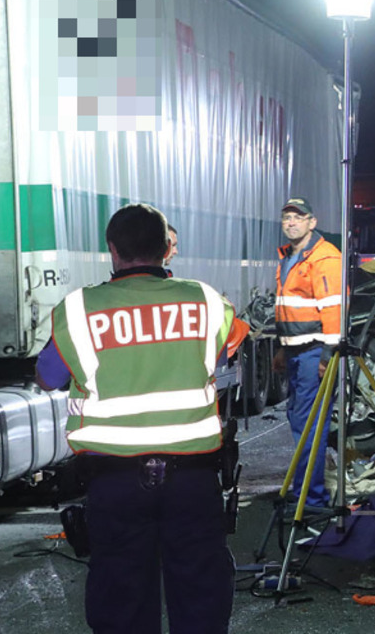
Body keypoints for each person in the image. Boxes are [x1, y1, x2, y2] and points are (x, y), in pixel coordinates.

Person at [35, 203, 244, 634]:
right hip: (194, 480)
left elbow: (48, 376)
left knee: (122, 600)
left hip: (114, 483)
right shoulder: (205, 300)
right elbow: (227, 351)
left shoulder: (79, 310)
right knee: (202, 598)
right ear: (168, 248)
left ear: (111, 249)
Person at [272, 196, 342, 508]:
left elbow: (334, 311)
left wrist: (329, 356)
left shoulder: (324, 258)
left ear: (311, 222)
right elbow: (288, 310)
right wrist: (281, 348)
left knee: (309, 424)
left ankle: (311, 498)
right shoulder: (289, 257)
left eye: (298, 218)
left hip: (315, 353)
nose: (291, 222)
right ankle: (305, 491)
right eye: (286, 218)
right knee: (300, 422)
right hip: (296, 352)